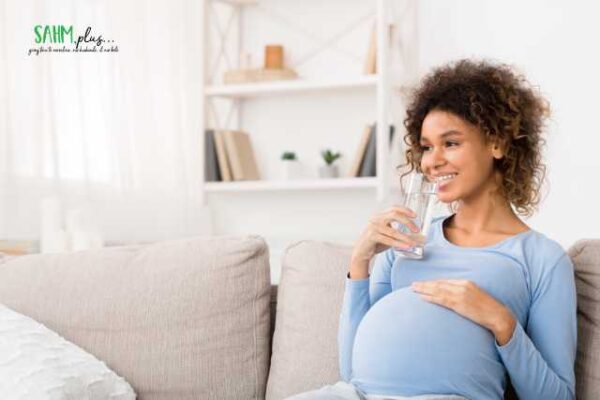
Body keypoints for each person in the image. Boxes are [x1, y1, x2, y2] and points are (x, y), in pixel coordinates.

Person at [285, 59, 576, 400]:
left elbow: (556, 396)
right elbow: (352, 371)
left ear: (497, 143)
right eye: (425, 147)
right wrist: (360, 262)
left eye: (450, 143)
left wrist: (500, 320)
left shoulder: (542, 259)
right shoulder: (407, 240)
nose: (431, 161)